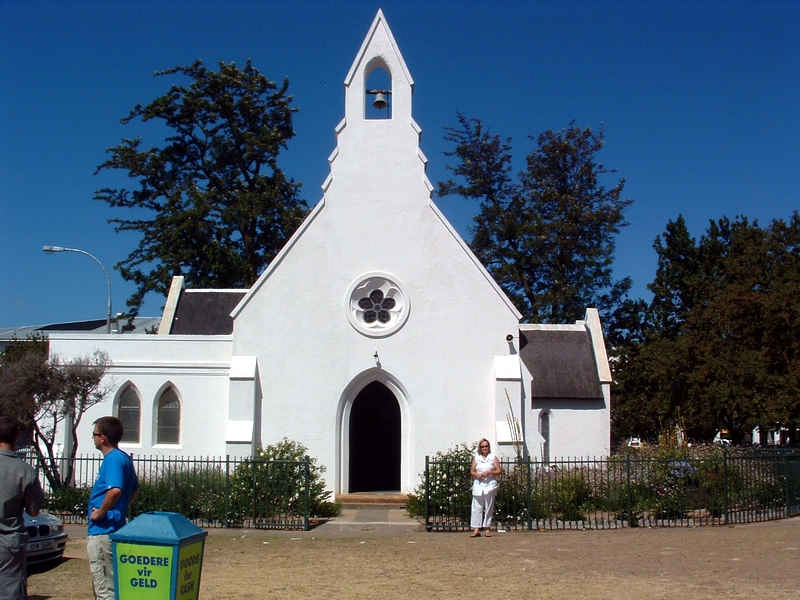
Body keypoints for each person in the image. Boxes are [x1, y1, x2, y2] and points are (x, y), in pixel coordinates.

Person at [87, 416, 138, 600]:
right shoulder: (124, 458)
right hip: (113, 527)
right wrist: (120, 509)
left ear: (103, 438)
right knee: (112, 585)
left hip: (103, 530)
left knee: (105, 590)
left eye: (94, 434)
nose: (93, 438)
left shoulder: (113, 460)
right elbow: (133, 491)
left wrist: (101, 511)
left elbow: (115, 490)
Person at [0, 416, 43, 600]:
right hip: (9, 540)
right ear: (17, 437)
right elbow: (34, 510)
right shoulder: (25, 471)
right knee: (11, 589)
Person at [470, 437, 501, 538]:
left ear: (489, 447)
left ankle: (487, 528)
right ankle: (476, 529)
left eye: (486, 446)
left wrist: (490, 472)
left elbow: (499, 470)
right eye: (482, 446)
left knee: (489, 507)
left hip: (490, 485)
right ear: (480, 447)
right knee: (476, 507)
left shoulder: (493, 457)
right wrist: (477, 475)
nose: (484, 448)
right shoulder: (476, 457)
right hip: (478, 484)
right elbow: (472, 471)